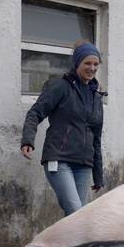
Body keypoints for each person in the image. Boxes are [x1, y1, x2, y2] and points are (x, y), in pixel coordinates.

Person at [20, 41, 104, 216]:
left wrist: (98, 174)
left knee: (75, 218)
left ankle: (65, 237)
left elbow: (96, 137)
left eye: (96, 64)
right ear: (77, 63)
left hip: (84, 164)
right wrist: (28, 140)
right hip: (59, 159)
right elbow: (35, 113)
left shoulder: (96, 96)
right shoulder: (60, 86)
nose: (92, 68)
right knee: (76, 214)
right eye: (87, 63)